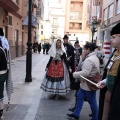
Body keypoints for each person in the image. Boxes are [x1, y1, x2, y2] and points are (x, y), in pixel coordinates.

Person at [67, 42, 99, 120]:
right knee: (79, 96)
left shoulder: (89, 59)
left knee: (92, 101)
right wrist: (82, 57)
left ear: (88, 50)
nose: (83, 51)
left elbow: (85, 73)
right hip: (85, 84)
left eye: (84, 49)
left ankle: (95, 117)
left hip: (88, 83)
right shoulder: (93, 57)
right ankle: (76, 114)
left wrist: (75, 74)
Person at [97, 23, 120, 120]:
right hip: (109, 93)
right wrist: (105, 82)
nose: (111, 40)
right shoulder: (115, 52)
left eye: (114, 37)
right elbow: (110, 72)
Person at [0, 28, 13, 119]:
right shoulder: (5, 45)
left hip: (1, 73)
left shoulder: (2, 46)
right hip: (3, 73)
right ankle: (0, 112)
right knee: (0, 93)